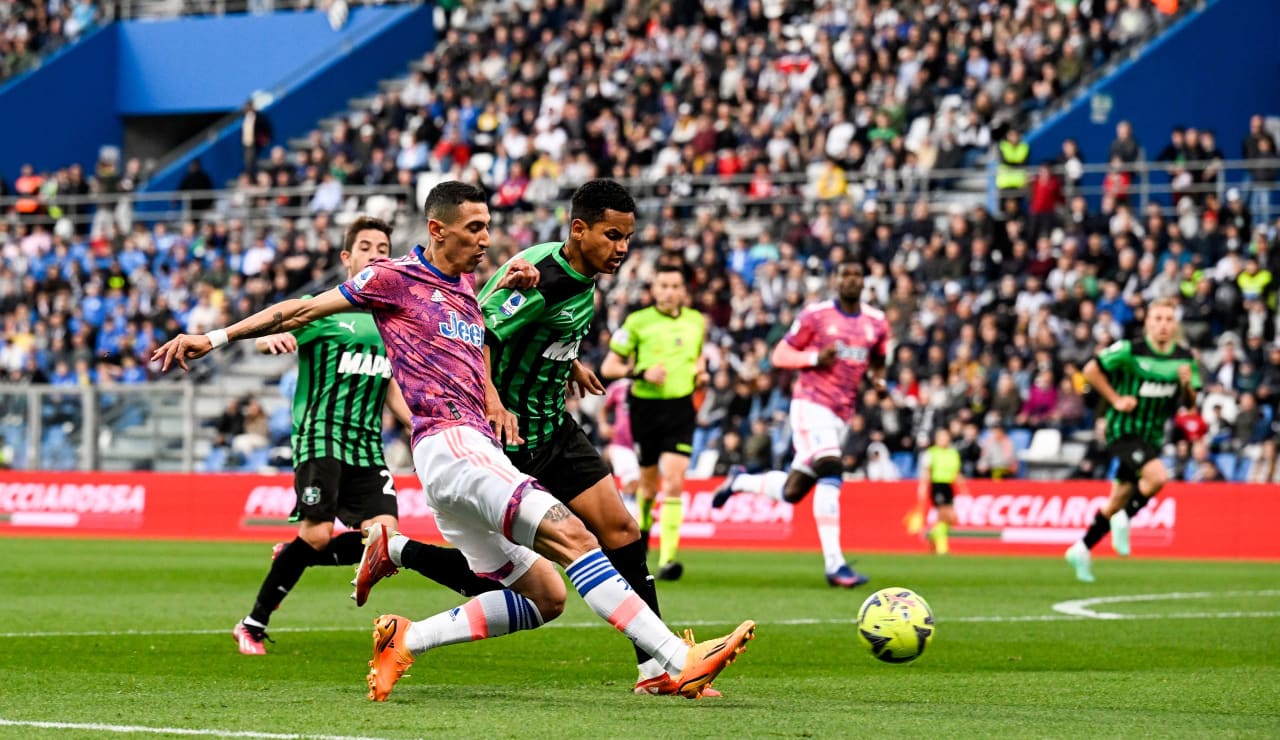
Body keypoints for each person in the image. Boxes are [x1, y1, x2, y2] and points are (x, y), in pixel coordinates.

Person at [153, 181, 754, 702]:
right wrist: (215, 336)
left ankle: (405, 638)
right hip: (453, 440)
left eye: (489, 227)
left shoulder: (472, 287)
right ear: (437, 230)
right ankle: (675, 662)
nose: (486, 238)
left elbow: (502, 328)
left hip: (462, 459)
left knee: (545, 596)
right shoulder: (394, 280)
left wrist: (559, 354)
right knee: (575, 538)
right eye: (473, 229)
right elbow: (301, 310)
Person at [356, 180, 705, 696]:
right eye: (613, 236)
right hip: (510, 436)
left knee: (623, 532)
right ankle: (402, 553)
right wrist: (496, 403)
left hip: (555, 427)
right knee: (518, 582)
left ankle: (654, 670)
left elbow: (541, 329)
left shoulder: (577, 271)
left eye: (628, 237)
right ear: (580, 230)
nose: (623, 249)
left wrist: (570, 362)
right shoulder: (543, 278)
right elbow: (483, 336)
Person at [231, 216, 499, 656]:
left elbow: (393, 383)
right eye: (366, 246)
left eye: (383, 247)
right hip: (321, 436)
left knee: (385, 537)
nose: (375, 253)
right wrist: (270, 342)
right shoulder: (323, 309)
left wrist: (420, 429)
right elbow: (274, 331)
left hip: (366, 443)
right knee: (317, 534)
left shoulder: (391, 314)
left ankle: (297, 553)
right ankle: (253, 624)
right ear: (347, 257)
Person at [711, 261, 888, 588]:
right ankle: (835, 565)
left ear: (863, 282)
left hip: (841, 415)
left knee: (793, 491)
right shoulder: (815, 316)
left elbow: (878, 360)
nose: (850, 279)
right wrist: (813, 359)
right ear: (836, 280)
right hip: (810, 403)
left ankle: (739, 482)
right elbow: (779, 355)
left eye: (856, 274)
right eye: (845, 273)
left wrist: (878, 381)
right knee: (832, 466)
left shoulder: (876, 322)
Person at [1065, 297, 1200, 583]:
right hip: (1122, 430)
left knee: (1116, 499)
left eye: (1169, 319)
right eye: (1158, 319)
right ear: (1148, 322)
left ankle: (1082, 548)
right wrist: (1115, 399)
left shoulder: (1184, 358)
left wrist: (1187, 384)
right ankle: (1125, 518)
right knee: (1158, 476)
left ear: (1175, 324)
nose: (1164, 325)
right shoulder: (1130, 350)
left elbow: (1189, 404)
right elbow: (1090, 369)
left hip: (1151, 435)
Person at [600, 264, 709, 581]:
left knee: (674, 480)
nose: (670, 291)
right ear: (654, 289)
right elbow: (609, 367)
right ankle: (644, 530)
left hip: (680, 408)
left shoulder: (695, 321)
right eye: (664, 285)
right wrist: (641, 373)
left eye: (675, 285)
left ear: (683, 290)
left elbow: (697, 354)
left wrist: (700, 371)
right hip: (645, 407)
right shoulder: (637, 322)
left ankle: (669, 559)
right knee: (648, 487)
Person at [914, 427, 967, 556]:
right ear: (937, 440)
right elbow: (927, 471)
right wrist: (923, 486)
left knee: (951, 518)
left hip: (949, 486)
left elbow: (957, 472)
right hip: (937, 485)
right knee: (944, 514)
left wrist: (963, 487)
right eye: (942, 437)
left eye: (946, 437)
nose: (944, 439)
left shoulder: (953, 453)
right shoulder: (931, 453)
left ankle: (933, 534)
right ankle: (942, 548)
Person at [599, 378, 641, 500]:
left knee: (644, 484)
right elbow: (603, 407)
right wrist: (603, 425)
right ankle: (624, 511)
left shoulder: (654, 387)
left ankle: (627, 509)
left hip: (645, 443)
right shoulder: (619, 386)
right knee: (632, 480)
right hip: (621, 443)